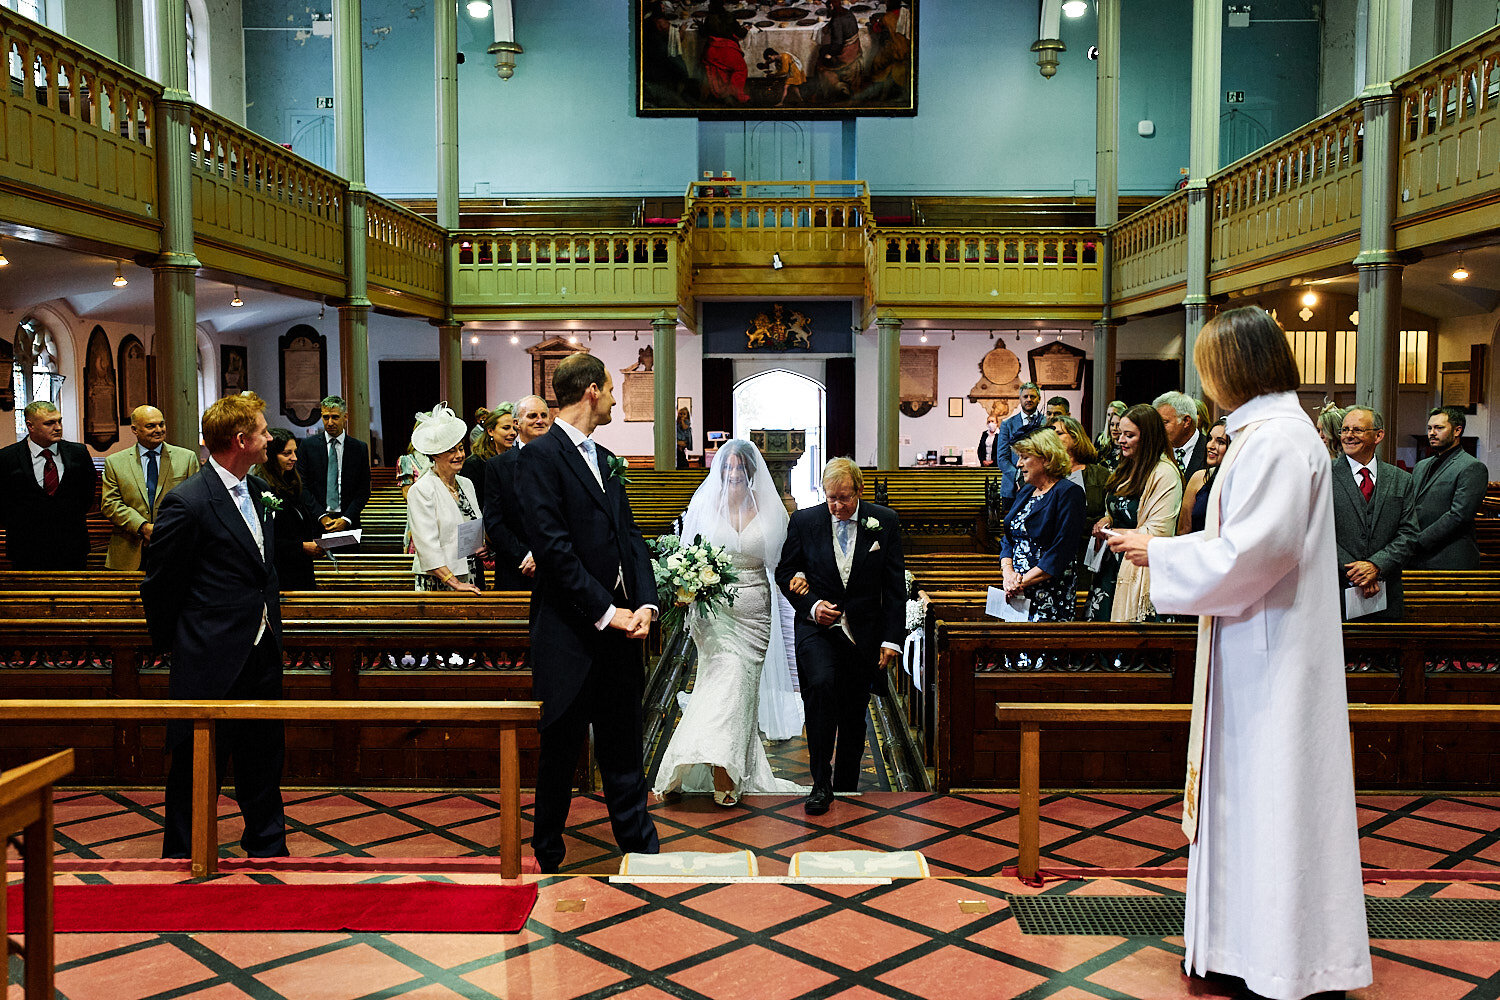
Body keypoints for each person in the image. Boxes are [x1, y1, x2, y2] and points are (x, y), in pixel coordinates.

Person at [1107, 305, 1371, 1000]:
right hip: (1252, 645)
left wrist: (1158, 552)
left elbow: (1261, 552)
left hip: (1274, 656)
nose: (1204, 380)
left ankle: (1285, 963)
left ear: (1236, 365)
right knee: (1247, 802)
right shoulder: (1265, 434)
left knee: (1276, 802)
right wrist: (1162, 552)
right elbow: (1243, 543)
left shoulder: (1280, 439)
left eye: (1207, 366)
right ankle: (1239, 947)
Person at [516, 353, 660, 873]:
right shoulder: (539, 458)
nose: (618, 399)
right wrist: (607, 612)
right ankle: (549, 852)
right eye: (612, 389)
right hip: (569, 634)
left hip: (620, 631)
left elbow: (631, 538)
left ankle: (640, 846)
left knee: (624, 743)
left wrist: (643, 602)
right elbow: (554, 551)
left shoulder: (602, 457)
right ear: (593, 391)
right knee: (560, 751)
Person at [141, 391, 289, 860]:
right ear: (240, 440)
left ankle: (267, 845)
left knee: (264, 756)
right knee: (194, 764)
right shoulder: (189, 502)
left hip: (261, 650)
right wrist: (182, 646)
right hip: (209, 655)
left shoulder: (258, 489)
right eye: (263, 432)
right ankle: (184, 852)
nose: (270, 439)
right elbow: (159, 585)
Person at [652, 440, 805, 805]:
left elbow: (785, 561)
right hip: (714, 609)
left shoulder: (770, 509)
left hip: (754, 610)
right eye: (728, 468)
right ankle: (720, 772)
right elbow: (685, 554)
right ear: (720, 471)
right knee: (721, 682)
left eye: (740, 468)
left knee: (741, 689)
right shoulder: (704, 507)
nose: (734, 474)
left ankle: (716, 765)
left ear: (752, 473)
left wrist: (801, 578)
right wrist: (688, 584)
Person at [775, 458, 905, 815]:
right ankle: (820, 782)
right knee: (819, 688)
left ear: (859, 491)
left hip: (863, 633)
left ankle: (846, 784)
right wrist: (811, 604)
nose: (836, 506)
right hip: (818, 629)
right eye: (830, 498)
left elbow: (895, 588)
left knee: (853, 710)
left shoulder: (884, 522)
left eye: (844, 498)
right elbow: (785, 571)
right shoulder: (805, 521)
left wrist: (892, 639)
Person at [1085, 403, 1181, 622]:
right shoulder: (1127, 466)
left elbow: (1158, 532)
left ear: (1148, 437)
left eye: (1129, 435)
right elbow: (1118, 507)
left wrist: (1112, 533)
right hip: (1110, 565)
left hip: (1140, 567)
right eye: (1120, 434)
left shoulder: (1164, 473)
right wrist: (1106, 519)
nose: (1120, 440)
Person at [1332, 406, 1418, 621]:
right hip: (1335, 591)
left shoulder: (1401, 479)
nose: (1349, 435)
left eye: (1358, 430)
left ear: (1378, 435)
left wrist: (1376, 566)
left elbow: (1409, 533)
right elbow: (1313, 532)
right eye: (1345, 430)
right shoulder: (1323, 474)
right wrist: (1355, 572)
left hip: (1386, 591)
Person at [100, 405, 201, 571]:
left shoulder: (186, 458)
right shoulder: (115, 462)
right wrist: (143, 527)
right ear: (135, 429)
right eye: (150, 426)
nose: (159, 430)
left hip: (175, 548)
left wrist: (164, 529)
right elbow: (110, 504)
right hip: (129, 549)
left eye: (161, 424)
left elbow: (196, 501)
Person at [0, 401, 99, 570]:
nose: (58, 427)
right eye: (49, 423)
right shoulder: (7, 457)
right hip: (26, 548)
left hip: (72, 545)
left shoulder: (78, 453)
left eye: (59, 421)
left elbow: (87, 495)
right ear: (30, 425)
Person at [1001, 429, 1085, 622]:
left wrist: (1020, 582)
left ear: (1046, 458)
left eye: (1024, 457)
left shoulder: (1068, 493)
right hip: (1017, 593)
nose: (1018, 464)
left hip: (1050, 596)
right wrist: (1008, 574)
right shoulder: (1026, 492)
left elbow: (1062, 549)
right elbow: (1008, 539)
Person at [407, 404, 484, 595]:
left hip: (471, 572)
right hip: (439, 580)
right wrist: (454, 583)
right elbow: (427, 546)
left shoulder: (466, 484)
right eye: (451, 451)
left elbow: (472, 525)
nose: (459, 455)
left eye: (460, 448)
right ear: (435, 455)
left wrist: (482, 546)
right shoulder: (422, 489)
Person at [484, 394, 551, 592]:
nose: (540, 420)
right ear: (517, 423)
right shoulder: (497, 466)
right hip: (515, 568)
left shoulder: (563, 461)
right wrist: (526, 555)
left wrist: (543, 555)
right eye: (532, 416)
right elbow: (494, 521)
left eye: (543, 415)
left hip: (557, 566)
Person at [1409, 406, 1488, 570]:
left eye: (1439, 428)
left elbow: (1459, 516)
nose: (1431, 433)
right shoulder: (1421, 466)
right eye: (1429, 428)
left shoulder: (1471, 467)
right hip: (1416, 558)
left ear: (1457, 430)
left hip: (1449, 557)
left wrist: (1418, 542)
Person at [251, 429, 324, 591]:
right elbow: (264, 539)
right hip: (280, 572)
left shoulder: (291, 483)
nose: (294, 458)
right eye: (287, 453)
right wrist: (301, 547)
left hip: (301, 568)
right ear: (271, 456)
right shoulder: (262, 489)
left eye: (294, 452)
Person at [1051, 415, 1110, 593]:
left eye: (1059, 433)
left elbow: (1111, 508)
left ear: (1075, 437)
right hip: (1054, 554)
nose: (1053, 437)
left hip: (1088, 552)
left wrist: (1108, 518)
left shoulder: (1099, 474)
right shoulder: (1045, 474)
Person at [297, 395, 371, 533]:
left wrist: (347, 519)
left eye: (335, 417)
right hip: (316, 521)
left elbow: (363, 490)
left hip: (349, 523)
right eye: (326, 417)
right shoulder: (308, 446)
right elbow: (302, 486)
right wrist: (321, 516)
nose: (330, 422)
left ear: (345, 417)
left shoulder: (359, 448)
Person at [997, 382, 1046, 511]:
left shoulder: (1046, 422)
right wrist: (1020, 477)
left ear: (1039, 399)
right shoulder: (1008, 424)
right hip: (1012, 488)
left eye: (1032, 396)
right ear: (1020, 399)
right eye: (1025, 396)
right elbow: (1002, 458)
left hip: (1042, 485)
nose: (1029, 399)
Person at [1177, 418, 1229, 536]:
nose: (1210, 445)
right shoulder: (1199, 478)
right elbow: (1183, 530)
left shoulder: (1240, 482)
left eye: (1220, 442)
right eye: (1210, 439)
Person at [462, 404, 516, 510]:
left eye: (514, 428)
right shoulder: (474, 464)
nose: (513, 433)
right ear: (491, 431)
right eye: (506, 428)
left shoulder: (515, 458)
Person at [699, 0, 749, 105]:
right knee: (741, 69)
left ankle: (721, 93)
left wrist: (700, 26)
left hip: (711, 52)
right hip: (728, 52)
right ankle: (733, 93)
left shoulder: (709, 18)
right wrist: (745, 29)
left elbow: (703, 34)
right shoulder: (729, 16)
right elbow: (739, 34)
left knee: (718, 70)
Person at [1156, 390, 1208, 480]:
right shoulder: (1156, 450)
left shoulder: (1210, 451)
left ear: (1186, 421)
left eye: (1165, 422)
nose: (1159, 428)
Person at [1096, 400, 1127, 467]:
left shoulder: (1127, 443)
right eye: (1108, 415)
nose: (1109, 418)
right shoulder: (1101, 439)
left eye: (1118, 425)